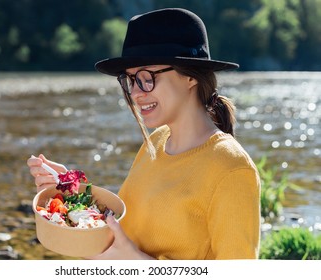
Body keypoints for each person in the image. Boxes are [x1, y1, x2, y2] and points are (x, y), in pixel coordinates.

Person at [27, 8, 261, 260]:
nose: (137, 93)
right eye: (130, 79)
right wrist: (72, 193)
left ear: (190, 76)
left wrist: (137, 263)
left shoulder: (232, 170)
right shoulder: (157, 141)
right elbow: (117, 238)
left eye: (147, 77)